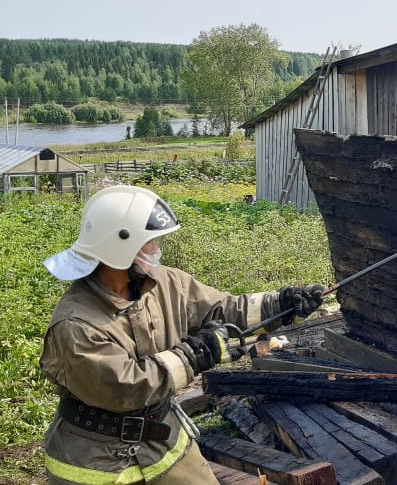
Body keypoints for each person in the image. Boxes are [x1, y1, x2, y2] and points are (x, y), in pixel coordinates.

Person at [39, 185, 324, 484]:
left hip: (164, 443)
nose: (158, 249)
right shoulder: (75, 324)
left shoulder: (165, 283)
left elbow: (222, 309)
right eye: (152, 243)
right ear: (122, 248)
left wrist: (281, 304)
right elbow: (126, 388)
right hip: (96, 463)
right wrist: (194, 355)